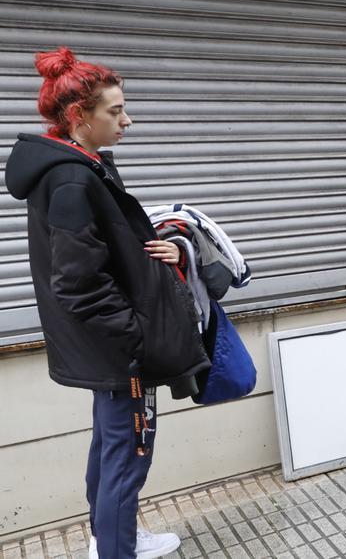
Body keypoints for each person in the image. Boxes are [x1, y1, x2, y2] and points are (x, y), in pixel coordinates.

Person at [4, 48, 209, 559]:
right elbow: (78, 283)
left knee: (111, 446)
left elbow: (102, 255)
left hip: (106, 351)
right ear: (79, 117)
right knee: (129, 453)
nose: (127, 120)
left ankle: (111, 539)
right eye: (116, 112)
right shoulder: (72, 178)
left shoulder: (77, 167)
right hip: (120, 354)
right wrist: (136, 340)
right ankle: (116, 549)